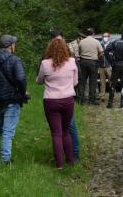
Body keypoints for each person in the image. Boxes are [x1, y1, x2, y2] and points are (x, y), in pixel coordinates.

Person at [0, 35, 27, 164]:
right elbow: (21, 79)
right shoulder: (15, 60)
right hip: (11, 100)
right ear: (11, 46)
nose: (15, 46)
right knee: (8, 131)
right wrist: (22, 93)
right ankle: (5, 159)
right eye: (14, 43)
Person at [36, 38, 78, 169]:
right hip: (68, 100)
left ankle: (59, 164)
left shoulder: (45, 63)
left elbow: (39, 81)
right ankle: (70, 161)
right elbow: (75, 82)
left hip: (51, 101)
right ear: (65, 49)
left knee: (56, 133)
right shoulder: (72, 62)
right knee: (66, 132)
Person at [78, 27, 104, 105]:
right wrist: (97, 57)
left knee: (82, 82)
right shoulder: (96, 42)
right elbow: (102, 52)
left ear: (86, 34)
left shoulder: (81, 42)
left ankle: (81, 100)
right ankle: (91, 100)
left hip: (83, 62)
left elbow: (79, 52)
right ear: (93, 34)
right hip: (93, 62)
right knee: (93, 82)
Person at [98, 32, 112, 102]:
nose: (105, 37)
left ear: (109, 37)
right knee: (102, 82)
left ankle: (112, 95)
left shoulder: (112, 44)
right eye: (104, 36)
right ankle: (102, 96)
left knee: (111, 82)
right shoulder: (100, 44)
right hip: (101, 66)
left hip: (109, 66)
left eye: (106, 36)